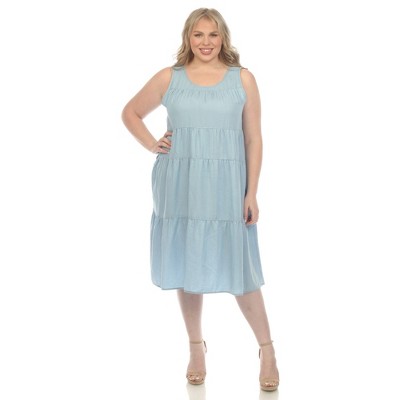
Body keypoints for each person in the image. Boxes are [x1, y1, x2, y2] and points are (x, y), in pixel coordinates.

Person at [121, 7, 279, 392]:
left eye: (213, 34)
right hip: (180, 183)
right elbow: (131, 113)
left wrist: (252, 191)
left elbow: (254, 138)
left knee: (241, 270)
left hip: (227, 185)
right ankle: (196, 347)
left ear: (223, 37)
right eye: (198, 34)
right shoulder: (169, 77)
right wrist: (152, 144)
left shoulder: (243, 79)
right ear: (187, 38)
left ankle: (267, 349)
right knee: (186, 264)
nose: (205, 42)